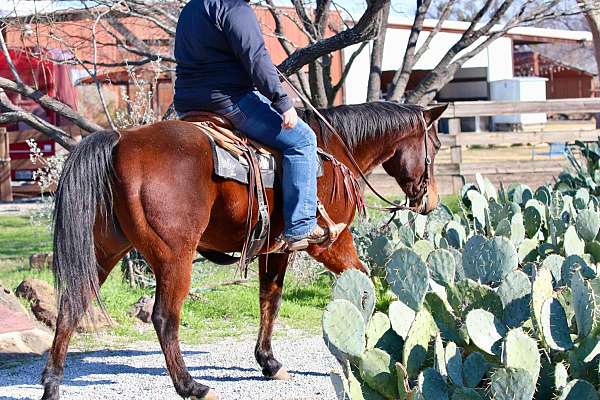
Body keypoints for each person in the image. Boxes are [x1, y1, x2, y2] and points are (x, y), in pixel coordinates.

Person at [174, 0, 343, 250]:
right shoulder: (235, 9)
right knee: (302, 139)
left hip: (187, 101)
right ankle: (301, 225)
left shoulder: (191, 8)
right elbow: (256, 59)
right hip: (228, 100)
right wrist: (282, 102)